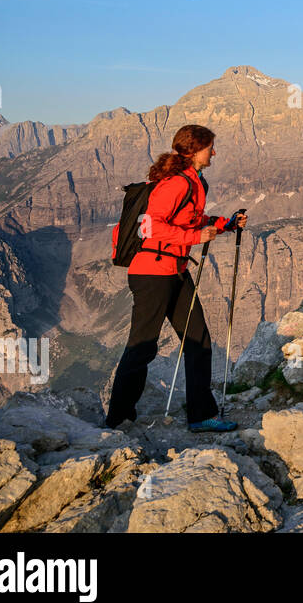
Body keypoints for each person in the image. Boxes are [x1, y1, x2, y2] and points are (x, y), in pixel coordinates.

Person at [104, 124, 248, 432]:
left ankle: (201, 416)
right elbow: (150, 227)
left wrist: (227, 223)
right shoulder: (176, 184)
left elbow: (193, 219)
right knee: (142, 346)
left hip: (175, 271)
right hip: (152, 274)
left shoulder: (195, 182)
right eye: (211, 147)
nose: (215, 152)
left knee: (198, 340)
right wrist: (195, 237)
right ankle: (117, 419)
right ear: (195, 150)